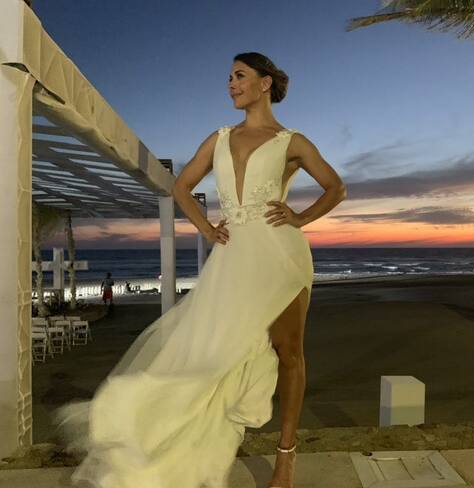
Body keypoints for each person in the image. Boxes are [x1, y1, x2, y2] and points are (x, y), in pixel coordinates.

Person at [54, 51, 347, 488]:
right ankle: (177, 434)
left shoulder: (292, 142)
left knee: (289, 351)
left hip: (281, 255)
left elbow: (336, 187)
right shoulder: (219, 139)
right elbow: (181, 188)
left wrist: (301, 218)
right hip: (233, 256)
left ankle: (286, 459)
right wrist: (207, 229)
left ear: (265, 83)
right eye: (229, 77)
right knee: (211, 349)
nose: (231, 84)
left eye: (240, 76)